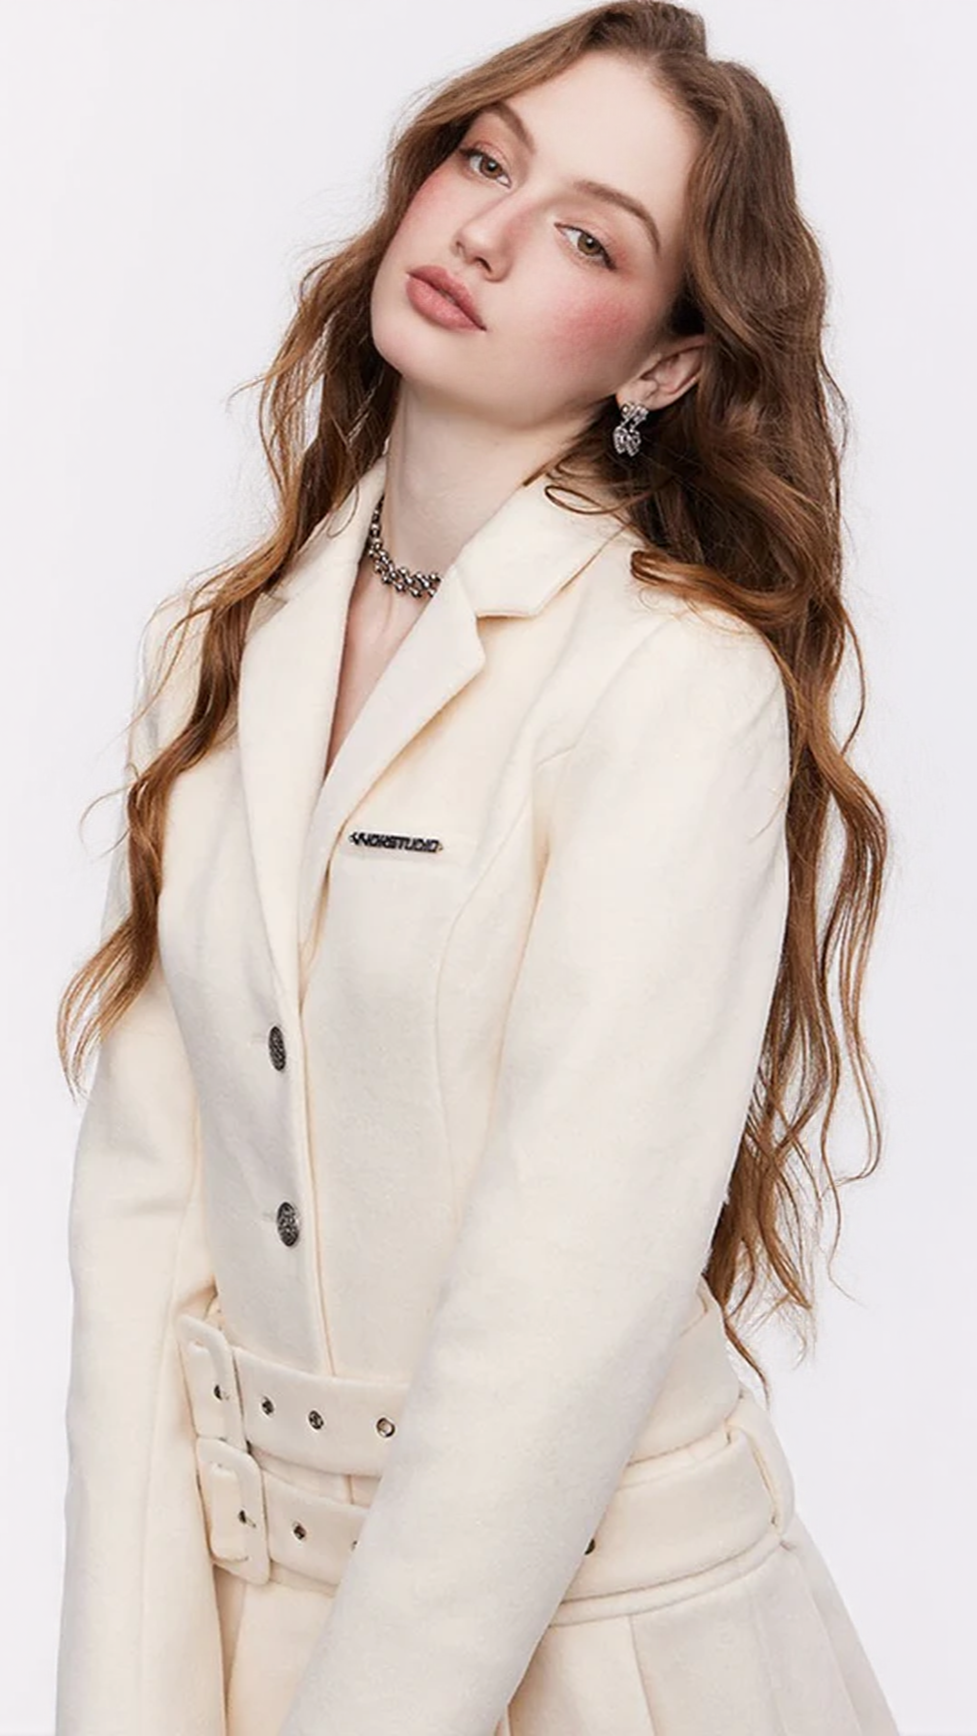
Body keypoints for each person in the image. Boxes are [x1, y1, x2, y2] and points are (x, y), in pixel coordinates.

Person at [53, 4, 900, 1734]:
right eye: (486, 161)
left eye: (591, 236)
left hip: (604, 1658)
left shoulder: (671, 687)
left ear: (663, 366)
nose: (491, 235)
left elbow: (560, 1301)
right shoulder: (235, 646)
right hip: (269, 1631)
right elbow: (142, 1232)